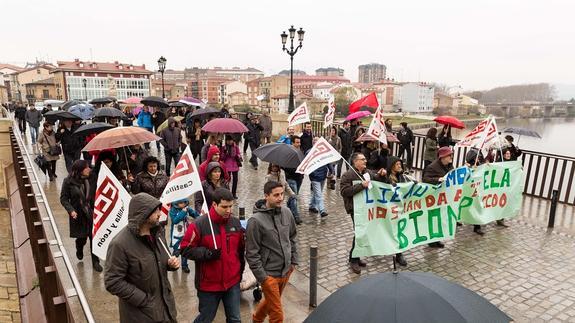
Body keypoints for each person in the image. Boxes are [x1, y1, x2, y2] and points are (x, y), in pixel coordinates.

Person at [104, 193, 179, 323]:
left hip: (166, 310)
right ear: (143, 214)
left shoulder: (158, 233)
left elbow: (160, 260)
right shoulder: (120, 244)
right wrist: (144, 300)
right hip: (140, 316)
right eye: (155, 210)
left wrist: (169, 264)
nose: (160, 214)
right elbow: (113, 282)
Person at [180, 188, 244, 323]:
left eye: (231, 206)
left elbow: (240, 250)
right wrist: (207, 253)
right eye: (224, 207)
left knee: (235, 319)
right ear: (214, 205)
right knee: (205, 318)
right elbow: (185, 249)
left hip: (232, 282)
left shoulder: (235, 223)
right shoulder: (199, 225)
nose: (229, 210)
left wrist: (239, 272)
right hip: (209, 285)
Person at [246, 181, 298, 323]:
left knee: (271, 302)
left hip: (286, 270)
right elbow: (252, 253)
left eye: (282, 194)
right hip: (269, 275)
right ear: (266, 196)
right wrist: (263, 278)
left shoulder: (287, 212)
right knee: (277, 315)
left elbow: (292, 237)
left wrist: (293, 261)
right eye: (276, 195)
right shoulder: (255, 221)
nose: (281, 198)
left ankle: (257, 319)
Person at [340, 153, 387, 274]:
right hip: (355, 209)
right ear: (355, 162)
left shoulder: (367, 172)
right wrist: (361, 186)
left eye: (365, 159)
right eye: (362, 159)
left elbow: (376, 179)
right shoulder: (347, 175)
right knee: (360, 233)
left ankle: (355, 256)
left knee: (363, 233)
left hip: (367, 208)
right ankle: (354, 260)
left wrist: (381, 175)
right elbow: (345, 192)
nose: (365, 161)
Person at [60, 160, 103, 272]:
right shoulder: (68, 182)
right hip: (78, 214)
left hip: (91, 212)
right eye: (86, 168)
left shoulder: (91, 178)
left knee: (93, 237)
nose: (89, 169)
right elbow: (63, 199)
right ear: (80, 170)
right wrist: (71, 210)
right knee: (82, 237)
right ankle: (79, 247)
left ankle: (95, 261)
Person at [422, 146, 454, 248]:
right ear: (443, 157)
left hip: (443, 197)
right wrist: (438, 179)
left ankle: (437, 239)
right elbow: (425, 179)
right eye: (449, 156)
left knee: (440, 218)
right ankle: (431, 240)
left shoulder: (449, 165)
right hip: (434, 197)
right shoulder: (432, 167)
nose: (451, 158)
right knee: (433, 219)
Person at [385, 156, 410, 267]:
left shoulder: (403, 177)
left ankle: (399, 254)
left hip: (400, 209)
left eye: (400, 164)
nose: (400, 166)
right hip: (390, 209)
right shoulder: (386, 178)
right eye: (397, 164)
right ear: (391, 167)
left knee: (399, 230)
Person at [169, 198, 199, 274]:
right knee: (177, 251)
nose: (183, 204)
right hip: (177, 236)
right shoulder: (173, 210)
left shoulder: (186, 208)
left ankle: (184, 265)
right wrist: (183, 212)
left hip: (185, 234)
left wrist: (201, 216)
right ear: (177, 203)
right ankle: (173, 263)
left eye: (185, 202)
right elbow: (175, 221)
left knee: (185, 251)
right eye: (181, 203)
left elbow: (195, 214)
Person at [283, 136, 304, 225]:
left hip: (299, 178)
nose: (298, 144)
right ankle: (296, 217)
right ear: (292, 143)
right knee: (294, 197)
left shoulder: (300, 152)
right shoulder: (288, 153)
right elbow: (284, 167)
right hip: (291, 178)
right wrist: (296, 170)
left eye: (299, 142)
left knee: (293, 197)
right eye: (297, 142)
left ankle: (288, 212)